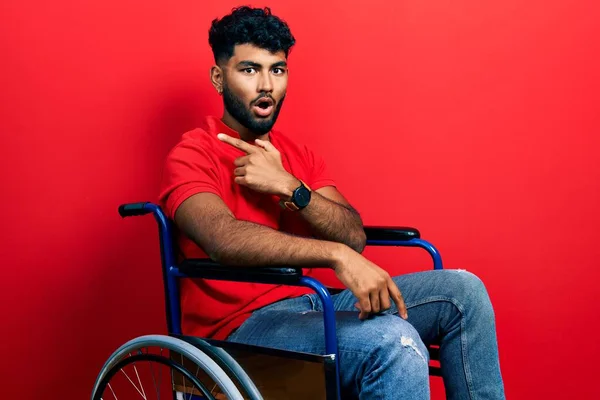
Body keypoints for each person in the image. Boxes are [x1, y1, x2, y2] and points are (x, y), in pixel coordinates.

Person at [158, 6, 505, 399]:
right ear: (219, 78)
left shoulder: (296, 156)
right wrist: (337, 256)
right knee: (394, 340)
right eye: (250, 70)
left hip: (310, 304)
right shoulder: (192, 153)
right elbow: (222, 238)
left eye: (278, 69)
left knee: (464, 293)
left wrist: (292, 187)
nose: (267, 85)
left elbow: (353, 234)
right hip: (241, 330)